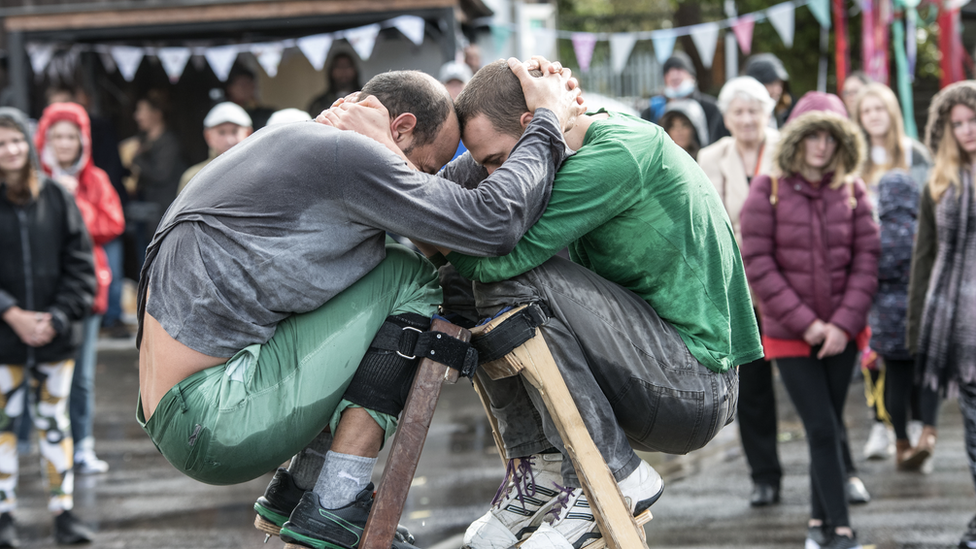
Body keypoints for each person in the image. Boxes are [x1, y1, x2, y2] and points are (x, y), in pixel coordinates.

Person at [137, 59, 584, 549]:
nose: (419, 184)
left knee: (382, 270)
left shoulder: (303, 147)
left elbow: (444, 202)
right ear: (401, 127)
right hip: (216, 417)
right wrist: (547, 121)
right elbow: (492, 224)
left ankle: (303, 489)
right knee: (407, 274)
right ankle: (335, 500)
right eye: (424, 170)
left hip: (193, 412)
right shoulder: (345, 154)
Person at [428, 59, 760, 549]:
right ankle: (539, 469)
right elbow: (445, 197)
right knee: (455, 284)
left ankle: (610, 473)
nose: (494, 176)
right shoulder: (567, 136)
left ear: (533, 125)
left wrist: (444, 238)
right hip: (648, 367)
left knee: (510, 271)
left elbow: (494, 257)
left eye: (498, 161)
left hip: (694, 386)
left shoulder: (616, 154)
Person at [740, 92, 880, 549]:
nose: (821, 145)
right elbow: (757, 263)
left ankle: (819, 527)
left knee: (830, 424)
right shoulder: (768, 189)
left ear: (842, 141)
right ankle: (840, 529)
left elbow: (867, 261)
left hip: (844, 335)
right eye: (812, 134)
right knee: (822, 426)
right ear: (797, 138)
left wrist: (841, 323)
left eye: (830, 136)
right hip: (791, 336)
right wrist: (807, 323)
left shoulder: (854, 191)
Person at [0, 107, 97, 546]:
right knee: (2, 429)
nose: (10, 150)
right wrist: (12, 314)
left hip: (56, 341)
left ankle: (64, 513)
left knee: (55, 426)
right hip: (4, 342)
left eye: (16, 140)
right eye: (1, 143)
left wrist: (56, 317)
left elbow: (82, 270)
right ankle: (3, 517)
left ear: (29, 144)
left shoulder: (58, 198)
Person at [698, 76, 783, 506]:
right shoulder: (711, 157)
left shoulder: (788, 149)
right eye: (739, 111)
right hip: (737, 290)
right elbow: (706, 223)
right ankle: (764, 475)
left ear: (769, 112)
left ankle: (842, 470)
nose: (747, 119)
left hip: (787, 286)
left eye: (755, 110)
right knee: (753, 388)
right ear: (727, 117)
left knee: (812, 385)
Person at [35, 102, 125, 476]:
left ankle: (82, 446)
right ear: (44, 139)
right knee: (34, 373)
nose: (64, 144)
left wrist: (75, 202)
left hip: (85, 291)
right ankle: (33, 446)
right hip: (39, 291)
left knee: (81, 378)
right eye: (57, 136)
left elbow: (112, 224)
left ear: (83, 141)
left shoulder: (96, 181)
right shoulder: (31, 179)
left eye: (71, 136)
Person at [905, 80, 976, 548]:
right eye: (959, 124)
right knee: (973, 432)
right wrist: (915, 326)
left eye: (974, 120)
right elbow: (924, 257)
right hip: (958, 327)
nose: (968, 130)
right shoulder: (939, 182)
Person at [852, 82, 934, 465]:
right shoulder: (857, 156)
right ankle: (889, 427)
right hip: (881, 271)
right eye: (866, 111)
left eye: (879, 110)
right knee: (884, 362)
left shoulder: (914, 152)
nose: (873, 117)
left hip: (896, 279)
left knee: (902, 363)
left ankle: (908, 431)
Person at [123, 89, 187, 269]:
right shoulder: (142, 142)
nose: (137, 116)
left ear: (157, 114)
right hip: (143, 212)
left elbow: (160, 174)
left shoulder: (169, 142)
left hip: (161, 213)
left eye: (141, 110)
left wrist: (136, 160)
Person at [641, 51, 726, 145]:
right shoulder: (651, 112)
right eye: (667, 72)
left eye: (679, 69)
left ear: (692, 76)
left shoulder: (712, 109)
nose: (673, 75)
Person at [177, 102, 252, 194]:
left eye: (235, 131)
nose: (229, 140)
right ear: (208, 136)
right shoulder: (194, 178)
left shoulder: (258, 172)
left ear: (248, 133)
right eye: (221, 132)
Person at [306, 52, 362, 119]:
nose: (343, 71)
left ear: (355, 70)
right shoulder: (318, 104)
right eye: (339, 67)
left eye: (347, 66)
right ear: (331, 71)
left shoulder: (366, 98)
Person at [744, 53, 793, 128]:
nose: (778, 90)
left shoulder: (781, 112)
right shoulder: (741, 119)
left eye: (780, 84)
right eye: (771, 83)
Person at [440, 60, 475, 163]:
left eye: (459, 84)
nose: (455, 90)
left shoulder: (479, 119)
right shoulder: (435, 122)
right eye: (451, 84)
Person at [224, 64, 276, 130]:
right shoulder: (224, 113)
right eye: (242, 84)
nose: (246, 88)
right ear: (230, 88)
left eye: (249, 84)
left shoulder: (263, 114)